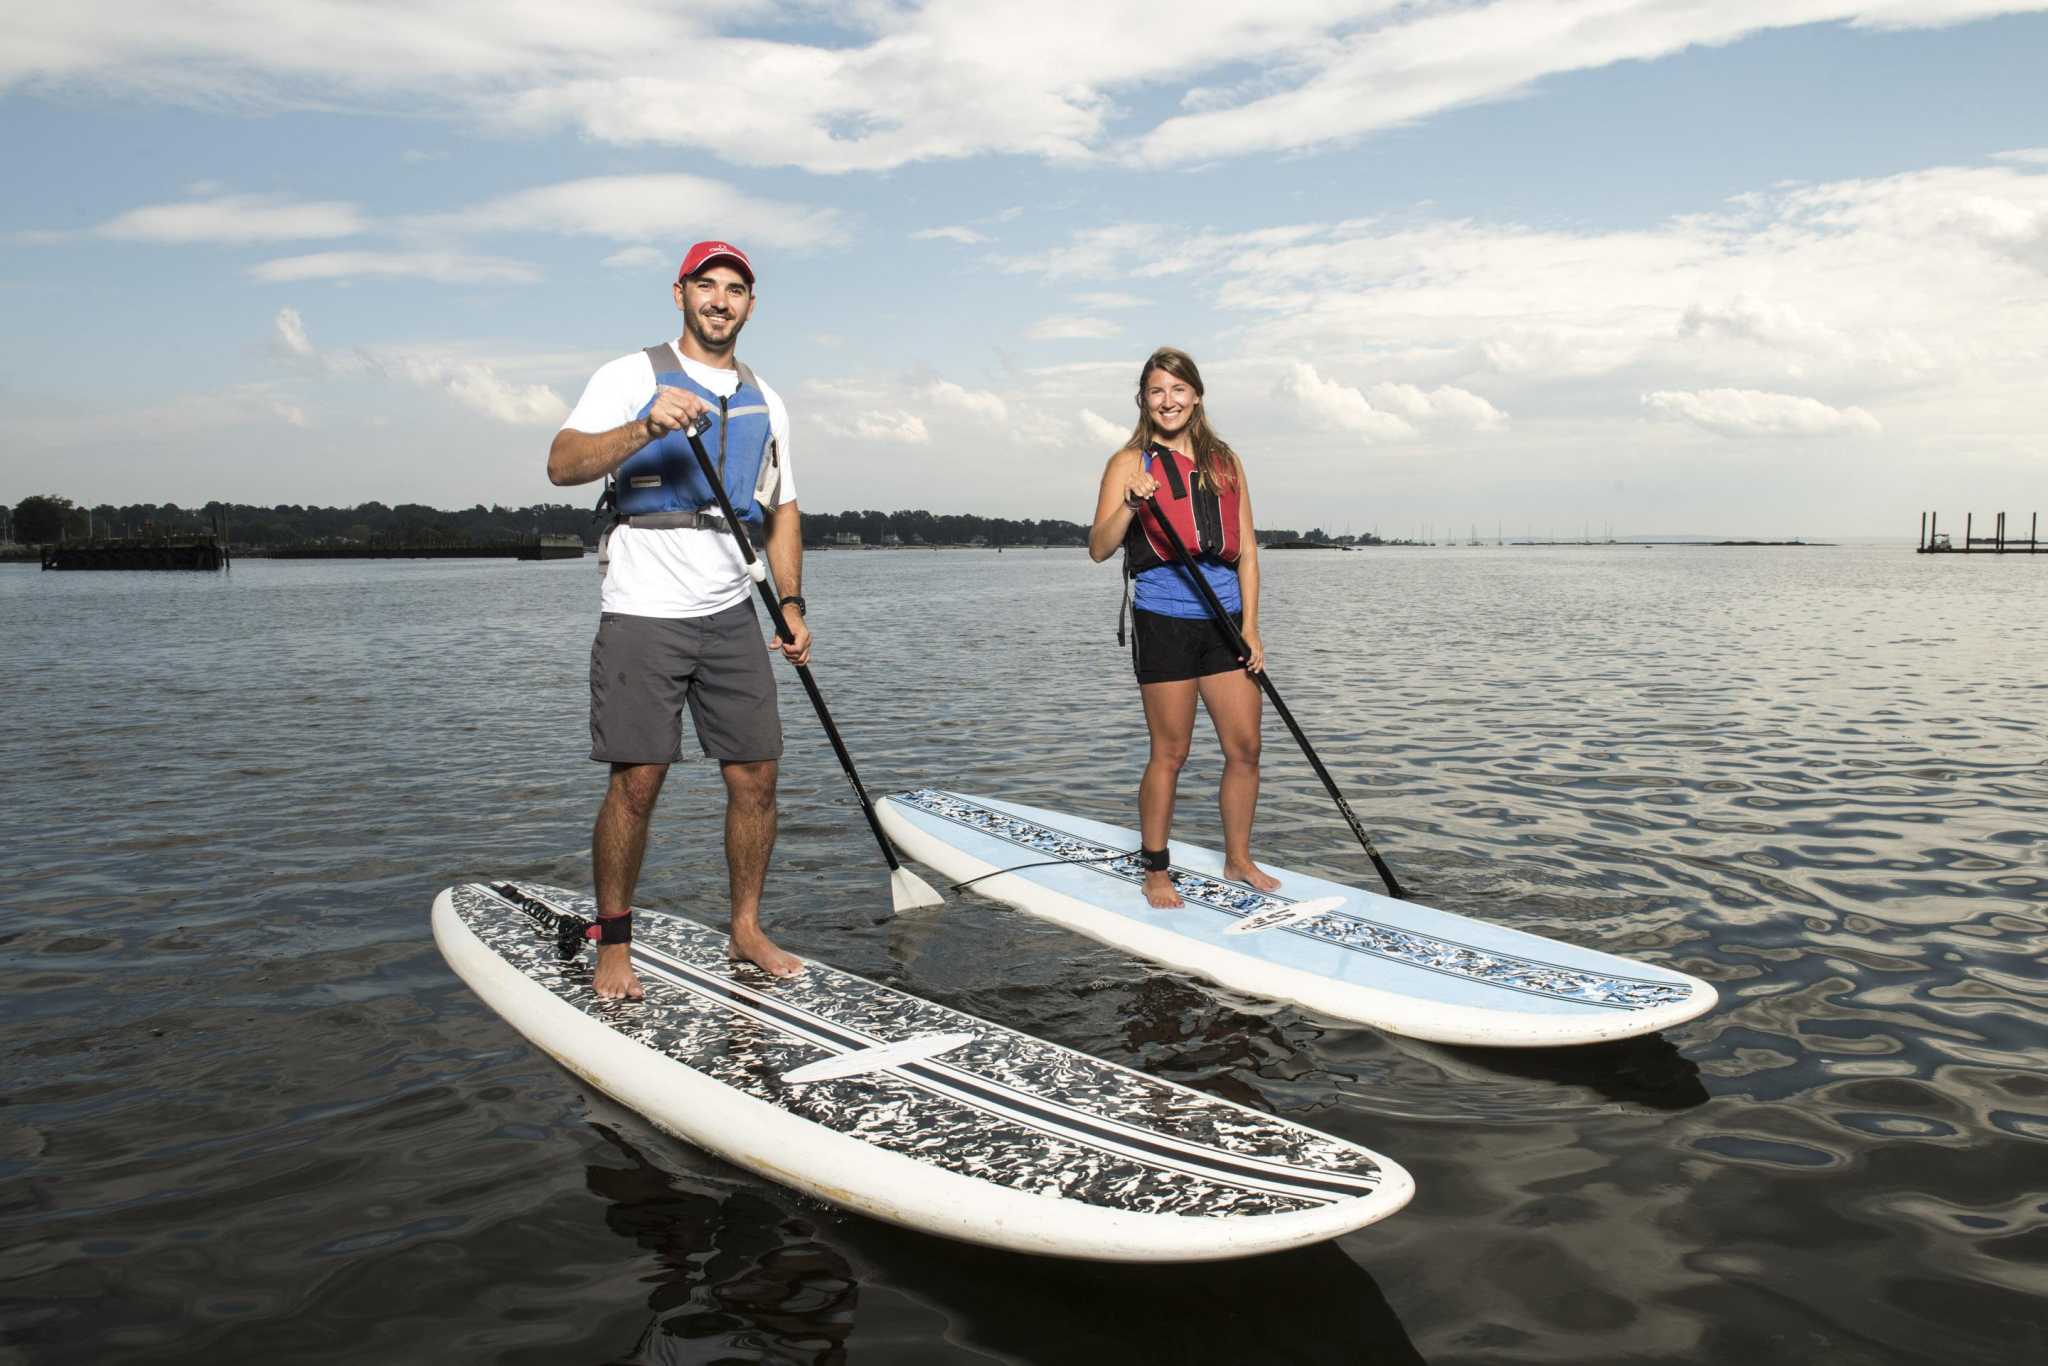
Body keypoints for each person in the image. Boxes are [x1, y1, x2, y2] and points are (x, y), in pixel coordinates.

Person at [547, 240, 810, 998]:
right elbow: (562, 463)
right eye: (707, 286)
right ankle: (614, 942)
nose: (720, 300)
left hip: (731, 610)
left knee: (757, 777)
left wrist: (791, 602)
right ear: (680, 293)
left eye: (735, 289)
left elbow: (783, 508)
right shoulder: (630, 375)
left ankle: (747, 927)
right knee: (637, 782)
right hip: (643, 610)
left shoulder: (767, 396)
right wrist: (643, 426)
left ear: (750, 305)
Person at [1087, 347, 1280, 910]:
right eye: (1156, 391)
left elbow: (1246, 553)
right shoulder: (1128, 462)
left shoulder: (1225, 460)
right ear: (1144, 400)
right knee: (1171, 751)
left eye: (1177, 389)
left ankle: (1238, 859)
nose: (1167, 401)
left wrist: (1252, 628)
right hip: (1164, 619)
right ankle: (1155, 868)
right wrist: (1129, 503)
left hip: (1224, 625)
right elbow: (1099, 548)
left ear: (1196, 395)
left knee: (1245, 749)